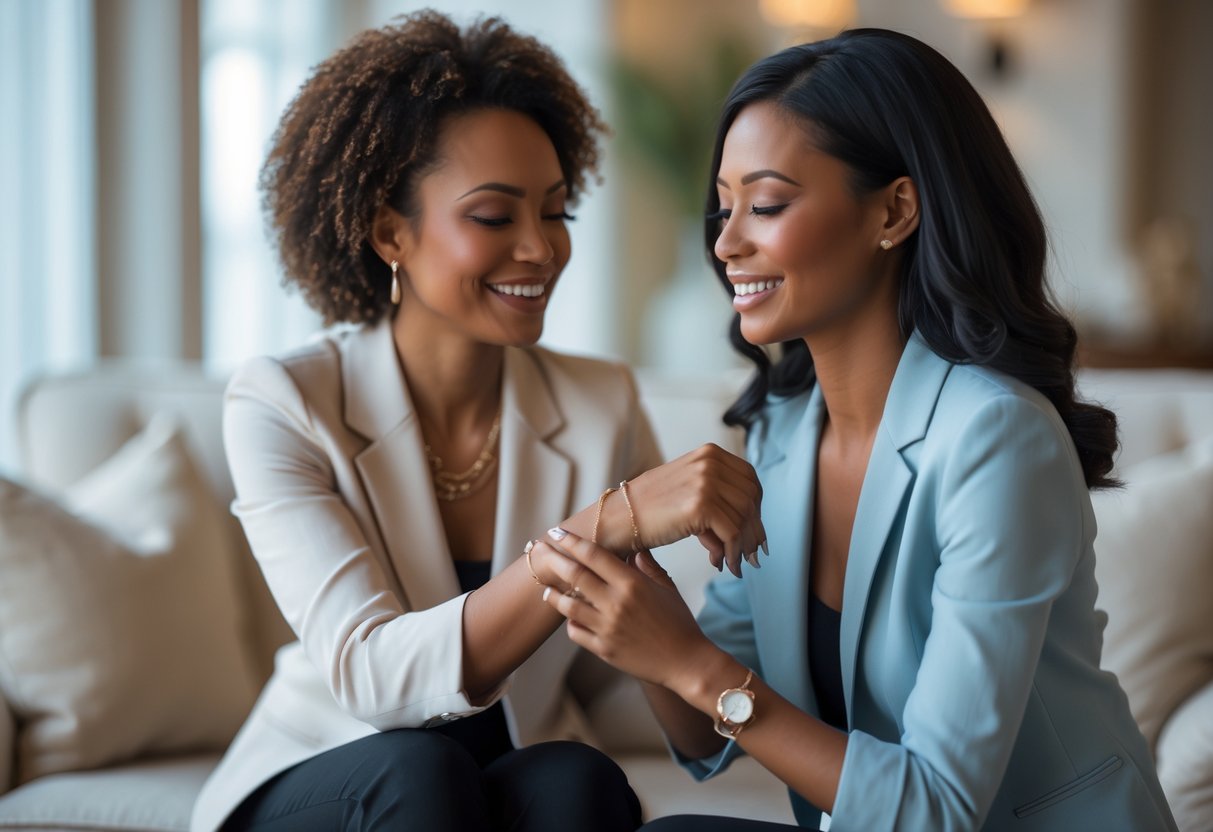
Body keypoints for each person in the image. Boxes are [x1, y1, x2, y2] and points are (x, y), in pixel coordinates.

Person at [532, 28, 1180, 831]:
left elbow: (935, 808)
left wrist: (690, 664)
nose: (727, 244)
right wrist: (642, 616)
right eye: (724, 208)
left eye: (766, 205)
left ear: (894, 210)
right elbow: (705, 735)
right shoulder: (780, 433)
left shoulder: (995, 439)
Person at [189, 11, 766, 832]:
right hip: (335, 774)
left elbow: (621, 687)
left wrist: (691, 649)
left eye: (557, 212)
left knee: (576, 778)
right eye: (494, 217)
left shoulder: (599, 403)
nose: (539, 248)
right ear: (391, 231)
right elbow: (371, 677)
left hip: (496, 775)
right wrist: (610, 520)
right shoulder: (283, 402)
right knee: (419, 770)